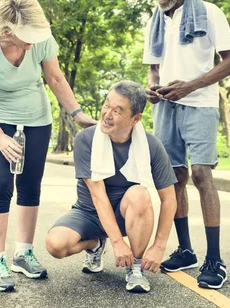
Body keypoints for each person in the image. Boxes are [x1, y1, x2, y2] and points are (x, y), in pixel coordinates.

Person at [0, 0, 97, 292]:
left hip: (37, 119)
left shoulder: (41, 41)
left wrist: (76, 113)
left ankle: (23, 253)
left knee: (30, 185)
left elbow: (55, 78)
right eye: (25, 36)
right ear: (7, 30)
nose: (30, 42)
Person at [142, 0, 230, 289]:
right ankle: (185, 250)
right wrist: (152, 87)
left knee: (200, 174)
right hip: (166, 106)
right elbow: (154, 67)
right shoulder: (155, 20)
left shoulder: (209, 12)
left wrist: (191, 86)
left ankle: (215, 258)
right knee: (174, 178)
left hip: (200, 103)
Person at [45, 81, 177, 293]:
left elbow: (169, 199)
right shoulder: (85, 139)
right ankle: (95, 244)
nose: (107, 114)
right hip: (89, 212)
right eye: (107, 105)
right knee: (55, 244)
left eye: (118, 110)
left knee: (140, 194)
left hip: (126, 215)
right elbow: (98, 196)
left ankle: (135, 266)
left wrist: (159, 245)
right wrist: (116, 241)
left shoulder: (151, 145)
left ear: (136, 119)